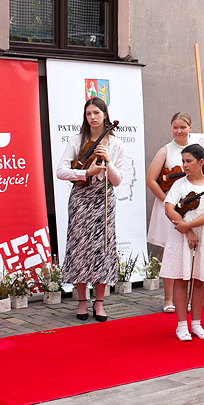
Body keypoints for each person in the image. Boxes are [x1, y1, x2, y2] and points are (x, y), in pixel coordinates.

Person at [56, 97, 125, 323]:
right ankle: (83, 301)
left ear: (105, 115)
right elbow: (61, 171)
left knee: (102, 248)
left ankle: (100, 302)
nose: (92, 117)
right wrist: (86, 173)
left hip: (103, 199)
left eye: (96, 112)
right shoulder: (77, 140)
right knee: (80, 249)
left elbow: (117, 181)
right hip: (80, 198)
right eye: (88, 114)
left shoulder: (116, 144)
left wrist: (108, 162)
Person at [160, 144, 204, 341]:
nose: (185, 165)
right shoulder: (179, 184)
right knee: (181, 280)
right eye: (183, 161)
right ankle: (181, 325)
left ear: (201, 162)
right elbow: (169, 208)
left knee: (199, 281)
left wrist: (189, 227)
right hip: (181, 235)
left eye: (188, 161)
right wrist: (187, 230)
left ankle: (196, 323)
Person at [147, 112, 192, 313]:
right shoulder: (165, 150)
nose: (179, 131)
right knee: (169, 251)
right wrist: (168, 202)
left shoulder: (197, 151)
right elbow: (151, 180)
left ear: (190, 127)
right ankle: (168, 299)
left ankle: (186, 297)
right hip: (169, 207)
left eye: (183, 127)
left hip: (190, 206)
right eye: (175, 127)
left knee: (187, 251)